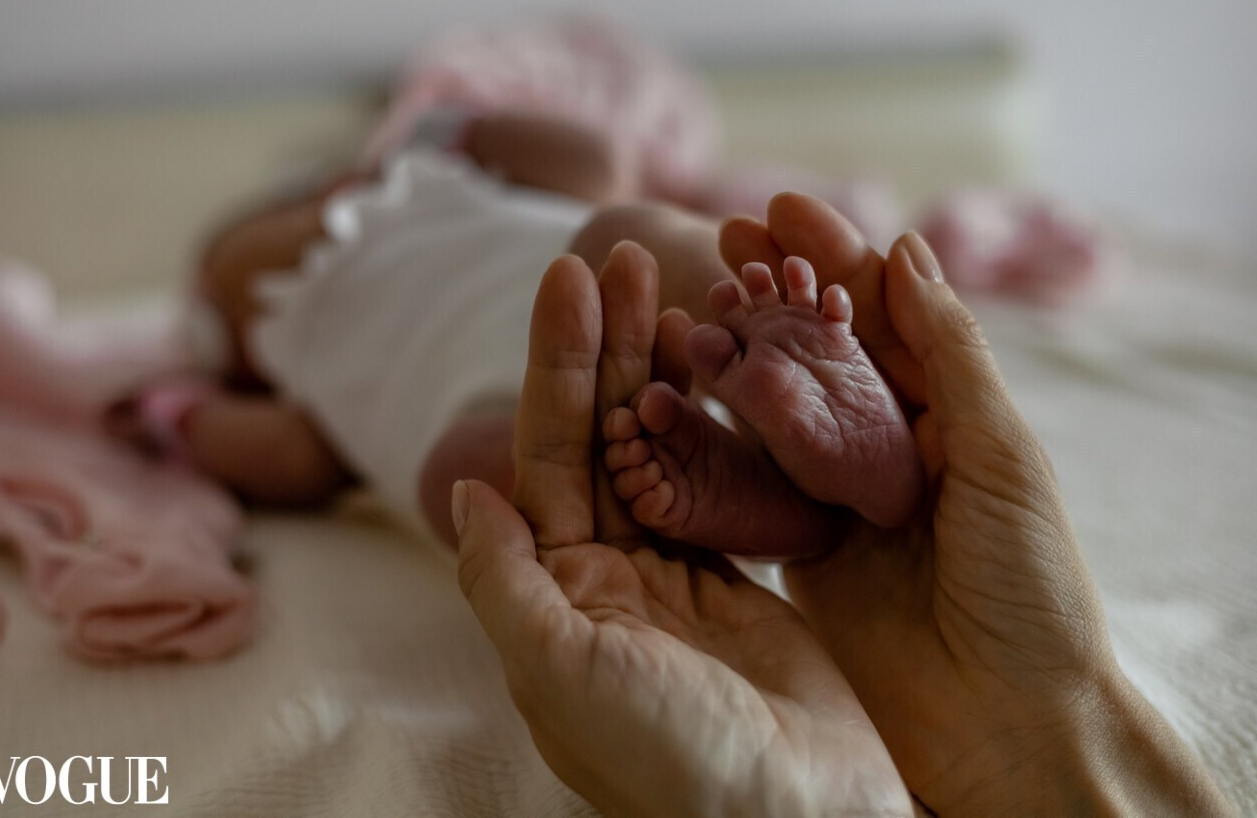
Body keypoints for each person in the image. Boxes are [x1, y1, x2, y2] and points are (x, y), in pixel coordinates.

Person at [454, 194, 1236, 816]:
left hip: (532, 300)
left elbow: (582, 154)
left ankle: (777, 427)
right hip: (512, 342)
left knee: (623, 247)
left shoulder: (428, 159)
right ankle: (777, 476)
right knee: (558, 409)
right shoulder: (379, 229)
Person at [112, 115, 922, 555]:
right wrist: (180, 420)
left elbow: (592, 160)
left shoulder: (435, 184)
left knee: (631, 231)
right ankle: (737, 493)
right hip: (493, 410)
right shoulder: (297, 376)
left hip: (585, 278)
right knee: (458, 483)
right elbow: (293, 460)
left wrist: (460, 133)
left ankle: (778, 347)